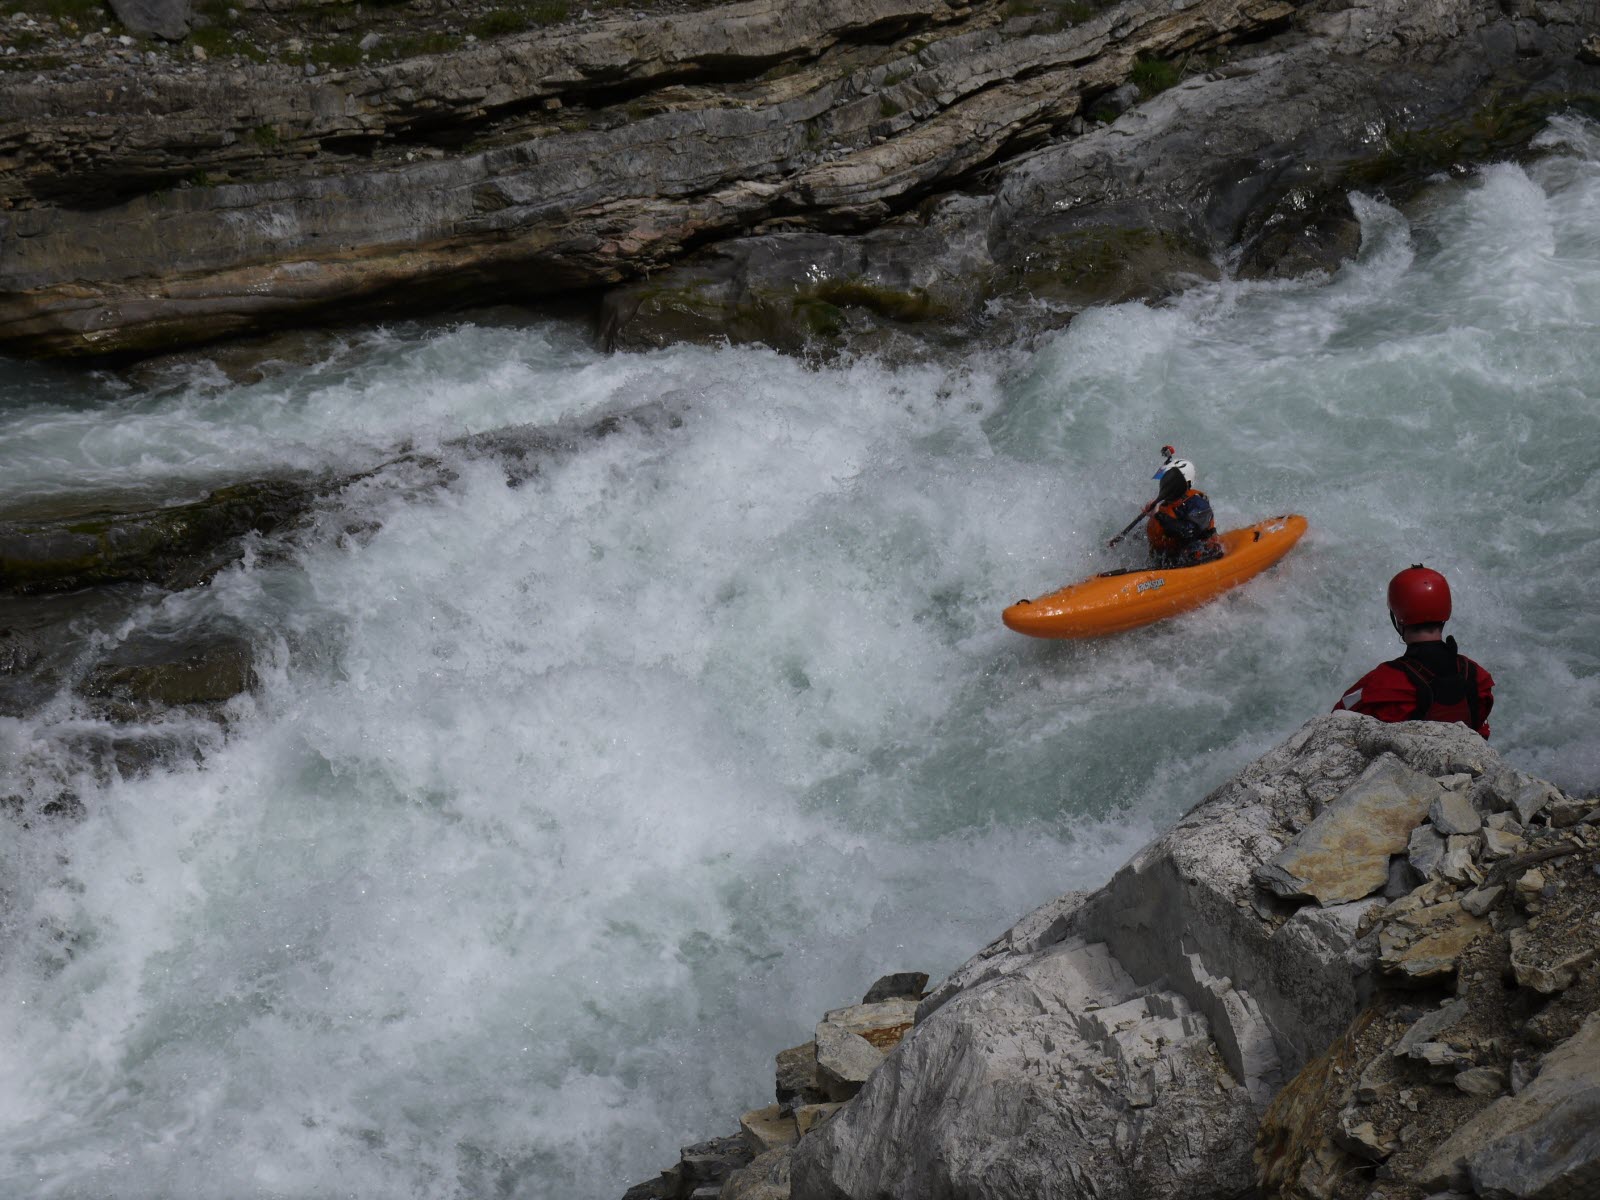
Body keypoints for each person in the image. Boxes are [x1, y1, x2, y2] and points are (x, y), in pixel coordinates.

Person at [1334, 565, 1494, 738]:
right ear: (1446, 611)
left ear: (1398, 619)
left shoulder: (1382, 682)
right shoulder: (1478, 677)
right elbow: (1482, 731)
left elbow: (1338, 717)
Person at [1146, 451, 1223, 568]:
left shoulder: (1197, 503)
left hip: (1198, 559)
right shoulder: (1164, 505)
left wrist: (1158, 516)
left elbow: (1189, 532)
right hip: (1167, 559)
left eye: (1170, 482)